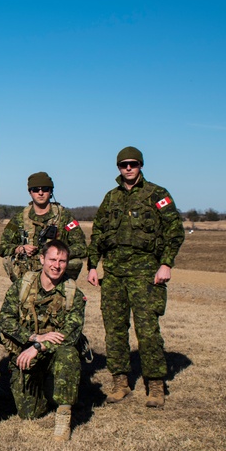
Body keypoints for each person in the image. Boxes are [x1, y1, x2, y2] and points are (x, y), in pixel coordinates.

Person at [88, 146, 184, 408]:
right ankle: (120, 383)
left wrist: (165, 264)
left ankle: (155, 385)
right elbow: (98, 233)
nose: (128, 168)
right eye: (123, 165)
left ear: (140, 165)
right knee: (115, 331)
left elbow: (175, 231)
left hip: (145, 273)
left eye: (132, 164)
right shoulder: (110, 198)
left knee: (148, 331)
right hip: (114, 274)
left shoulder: (157, 194)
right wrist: (92, 265)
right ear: (118, 168)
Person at [0, 240, 85, 441]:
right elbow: (4, 320)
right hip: (25, 355)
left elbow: (70, 334)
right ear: (42, 259)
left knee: (68, 353)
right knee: (29, 413)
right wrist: (33, 338)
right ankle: (49, 389)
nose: (57, 265)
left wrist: (39, 346)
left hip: (53, 353)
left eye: (62, 261)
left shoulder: (73, 294)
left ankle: (63, 416)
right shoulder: (23, 286)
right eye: (53, 259)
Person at [0, 172, 87, 282]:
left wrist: (58, 253)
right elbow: (3, 248)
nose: (40, 193)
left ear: (51, 192)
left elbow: (81, 247)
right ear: (30, 192)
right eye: (35, 190)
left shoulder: (64, 217)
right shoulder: (19, 218)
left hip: (56, 275)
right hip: (27, 276)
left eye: (45, 189)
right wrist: (20, 249)